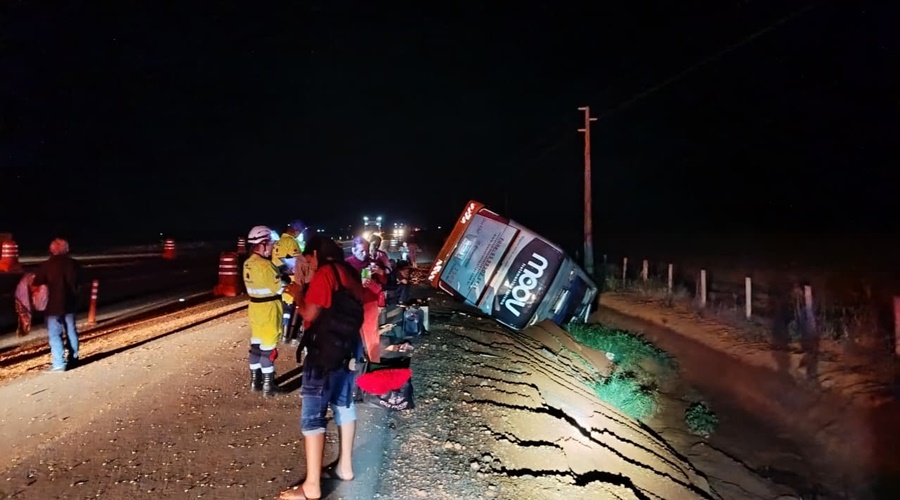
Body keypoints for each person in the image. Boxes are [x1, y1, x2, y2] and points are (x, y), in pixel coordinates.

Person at [280, 236, 364, 500]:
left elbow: (310, 314)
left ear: (316, 254)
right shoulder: (350, 272)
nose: (309, 263)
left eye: (309, 259)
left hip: (323, 351)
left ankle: (312, 487)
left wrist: (297, 295)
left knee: (313, 414)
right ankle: (345, 467)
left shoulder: (325, 274)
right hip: (349, 347)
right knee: (343, 404)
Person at [243, 225, 288, 397]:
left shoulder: (248, 263)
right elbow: (279, 289)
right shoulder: (265, 265)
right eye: (270, 244)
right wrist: (285, 279)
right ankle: (269, 386)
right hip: (270, 308)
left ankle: (255, 382)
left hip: (255, 308)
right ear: (262, 244)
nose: (272, 247)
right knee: (269, 349)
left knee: (256, 346)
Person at [33, 238, 81, 372]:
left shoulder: (46, 265)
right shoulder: (74, 264)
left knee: (55, 334)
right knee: (71, 331)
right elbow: (80, 282)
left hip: (52, 306)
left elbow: (37, 283)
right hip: (70, 304)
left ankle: (59, 363)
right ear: (66, 249)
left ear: (52, 250)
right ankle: (74, 358)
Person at [14, 273, 36, 337]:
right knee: (24, 315)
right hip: (22, 300)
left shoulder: (25, 281)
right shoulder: (25, 282)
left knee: (24, 315)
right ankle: (24, 329)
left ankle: (24, 329)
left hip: (21, 300)